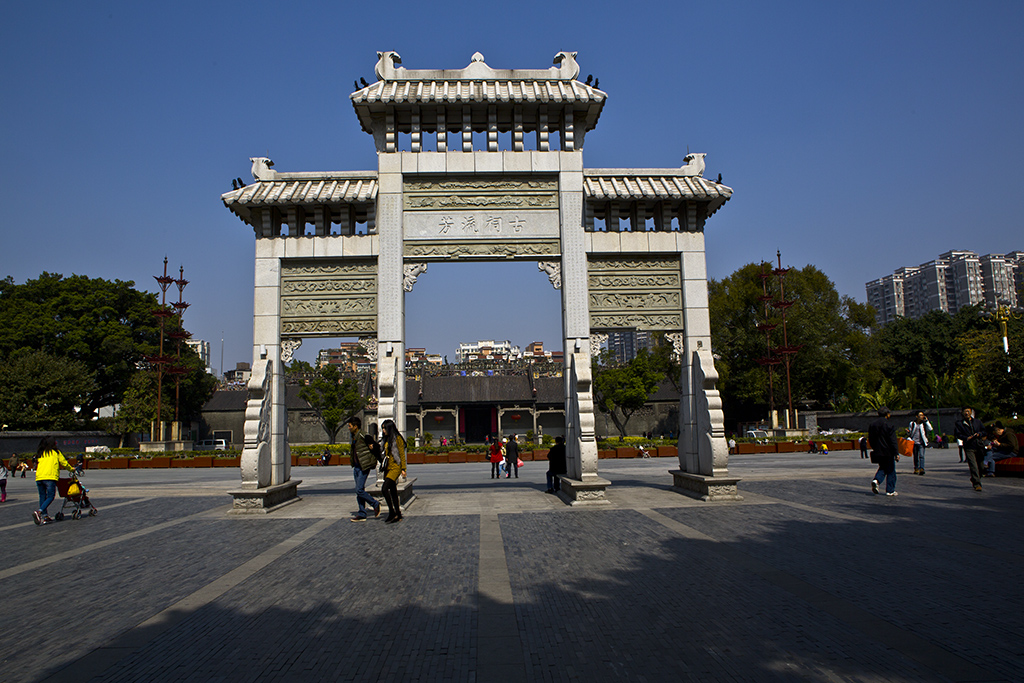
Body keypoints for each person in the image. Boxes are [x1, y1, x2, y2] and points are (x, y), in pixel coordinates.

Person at [33, 436, 75, 525]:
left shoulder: (41, 453)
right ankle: (39, 512)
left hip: (39, 477)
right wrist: (72, 469)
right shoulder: (56, 452)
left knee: (42, 496)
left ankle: (45, 517)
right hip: (50, 477)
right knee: (51, 496)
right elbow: (64, 463)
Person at [347, 417, 382, 522]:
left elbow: (375, 445)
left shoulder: (363, 435)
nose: (348, 428)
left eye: (350, 426)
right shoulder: (353, 436)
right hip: (357, 466)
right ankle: (362, 513)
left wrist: (379, 458)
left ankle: (375, 503)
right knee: (359, 491)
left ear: (355, 426)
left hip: (364, 466)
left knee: (359, 489)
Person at [378, 420, 407, 524]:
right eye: (382, 428)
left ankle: (392, 512)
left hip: (395, 467)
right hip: (388, 467)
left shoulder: (397, 438)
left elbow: (401, 454)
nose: (383, 430)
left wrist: (403, 469)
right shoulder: (385, 439)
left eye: (385, 428)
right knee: (393, 491)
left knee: (384, 489)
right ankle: (398, 514)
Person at [868, 407, 900, 496]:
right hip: (888, 451)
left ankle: (876, 480)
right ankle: (890, 490)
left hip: (878, 451)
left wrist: (875, 447)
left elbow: (871, 439)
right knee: (891, 470)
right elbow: (893, 440)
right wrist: (896, 452)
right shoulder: (889, 425)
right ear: (887, 414)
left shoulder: (873, 425)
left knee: (883, 467)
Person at [954, 407, 986, 492]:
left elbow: (984, 431)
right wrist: (966, 438)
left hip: (979, 446)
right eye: (965, 412)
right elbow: (958, 434)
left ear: (971, 412)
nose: (966, 413)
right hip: (969, 446)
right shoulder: (959, 424)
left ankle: (974, 478)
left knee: (981, 466)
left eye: (968, 411)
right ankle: (977, 484)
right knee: (973, 466)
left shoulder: (977, 422)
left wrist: (979, 434)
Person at [908, 411, 933, 475]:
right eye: (920, 415)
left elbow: (930, 429)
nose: (922, 416)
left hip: (922, 442)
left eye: (922, 415)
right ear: (917, 416)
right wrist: (908, 432)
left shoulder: (923, 424)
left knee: (921, 455)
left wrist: (927, 421)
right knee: (915, 456)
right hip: (914, 442)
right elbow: (910, 433)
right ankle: (916, 468)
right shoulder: (912, 423)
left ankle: (922, 468)